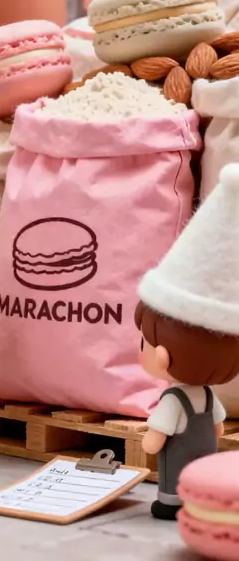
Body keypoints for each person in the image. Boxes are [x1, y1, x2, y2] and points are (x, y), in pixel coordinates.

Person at [136, 163, 239, 520]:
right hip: (205, 461)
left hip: (179, 466)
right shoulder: (209, 396)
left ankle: (171, 502)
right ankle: (202, 501)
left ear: (163, 356)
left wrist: (150, 442)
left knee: (175, 481)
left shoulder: (173, 399)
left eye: (144, 343)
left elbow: (156, 437)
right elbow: (217, 426)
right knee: (200, 478)